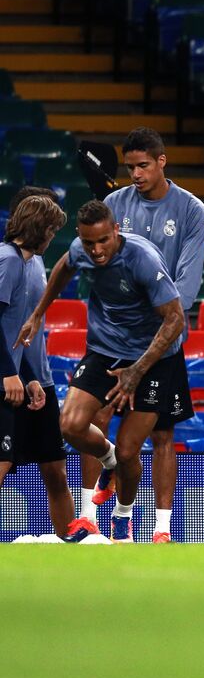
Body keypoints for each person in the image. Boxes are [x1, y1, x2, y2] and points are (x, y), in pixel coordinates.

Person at [19, 202, 189, 542]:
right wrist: (39, 312)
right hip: (104, 349)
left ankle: (123, 517)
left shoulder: (143, 259)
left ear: (115, 232)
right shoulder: (80, 249)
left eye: (102, 242)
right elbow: (65, 267)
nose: (95, 250)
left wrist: (136, 371)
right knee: (70, 425)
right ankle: (109, 462)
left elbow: (176, 320)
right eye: (88, 242)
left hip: (154, 357)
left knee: (129, 449)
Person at [79, 126, 204, 542]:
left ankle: (162, 528)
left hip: (162, 342)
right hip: (115, 341)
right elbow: (94, 262)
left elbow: (187, 282)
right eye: (130, 166)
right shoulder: (113, 204)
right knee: (94, 419)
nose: (135, 173)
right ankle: (90, 519)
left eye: (143, 165)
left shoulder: (192, 210)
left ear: (161, 161)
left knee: (163, 433)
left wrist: (161, 329)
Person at [0, 195, 76, 539]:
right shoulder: (7, 261)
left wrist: (31, 379)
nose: (53, 235)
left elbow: (24, 329)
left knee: (55, 468)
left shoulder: (35, 263)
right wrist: (8, 373)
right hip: (4, 378)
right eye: (51, 229)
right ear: (39, 229)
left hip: (28, 378)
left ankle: (69, 542)